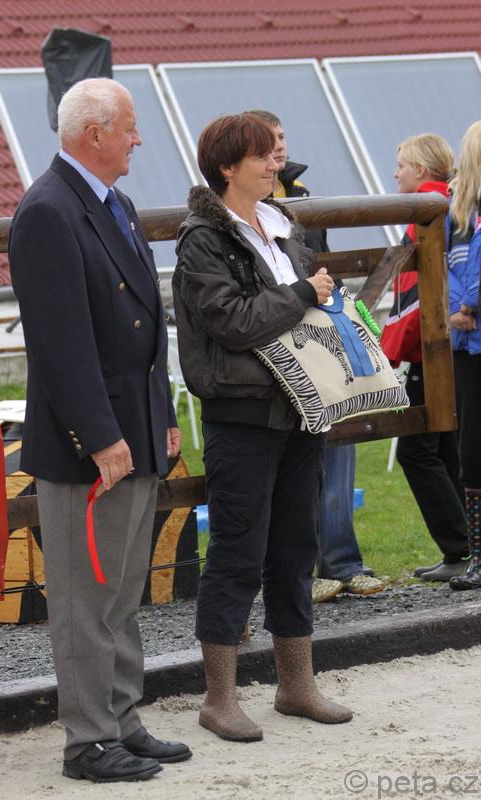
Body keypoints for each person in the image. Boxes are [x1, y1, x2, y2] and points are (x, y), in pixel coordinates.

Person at [8, 78, 191, 783]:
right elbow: (60, 344)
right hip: (91, 445)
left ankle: (121, 717)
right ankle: (87, 741)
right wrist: (101, 435)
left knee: (120, 591)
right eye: (129, 127)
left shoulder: (113, 202)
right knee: (85, 599)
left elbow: (145, 329)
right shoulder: (48, 210)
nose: (138, 138)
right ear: (94, 134)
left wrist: (162, 416)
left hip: (134, 428)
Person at [173, 112, 353, 744]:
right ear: (228, 167)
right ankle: (219, 699)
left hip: (301, 406)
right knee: (237, 555)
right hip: (243, 413)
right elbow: (232, 322)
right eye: (262, 156)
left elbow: (299, 312)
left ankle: (295, 685)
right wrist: (304, 293)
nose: (276, 163)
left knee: (296, 547)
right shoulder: (202, 239)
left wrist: (322, 300)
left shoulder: (283, 227)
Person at [249, 109, 384, 601]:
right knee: (290, 462)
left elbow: (323, 266)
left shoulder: (303, 197)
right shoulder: (236, 208)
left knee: (339, 440)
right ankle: (298, 571)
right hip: (276, 339)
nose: (280, 147)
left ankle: (343, 561)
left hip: (320, 329)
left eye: (282, 137)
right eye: (269, 140)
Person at [381, 133, 469, 582]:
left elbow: (417, 297)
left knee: (417, 449)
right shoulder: (453, 204)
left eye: (401, 164)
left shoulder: (426, 212)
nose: (395, 172)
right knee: (448, 447)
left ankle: (459, 546)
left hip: (429, 351)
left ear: (419, 168)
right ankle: (466, 545)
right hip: (450, 348)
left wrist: (387, 349)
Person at [446, 121, 481, 590]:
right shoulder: (455, 215)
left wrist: (471, 303)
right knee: (471, 451)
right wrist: (457, 308)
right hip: (469, 347)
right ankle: (479, 556)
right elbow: (443, 268)